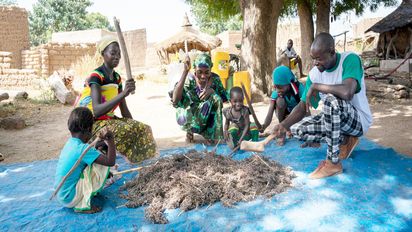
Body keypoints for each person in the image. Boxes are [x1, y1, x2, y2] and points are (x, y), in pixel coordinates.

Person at [271, 33, 373, 179]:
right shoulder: (315, 74)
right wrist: (283, 125)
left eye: (319, 59)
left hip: (357, 121)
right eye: (313, 59)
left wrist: (317, 87)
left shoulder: (349, 59)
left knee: (330, 101)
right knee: (297, 129)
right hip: (337, 122)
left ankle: (333, 163)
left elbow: (347, 92)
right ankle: (344, 140)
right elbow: (302, 106)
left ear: (332, 52)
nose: (315, 63)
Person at [76, 36, 157, 163]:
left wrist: (134, 125)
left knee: (143, 129)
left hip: (108, 121)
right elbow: (97, 111)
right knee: (127, 130)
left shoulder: (117, 78)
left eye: (119, 54)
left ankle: (143, 164)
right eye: (113, 53)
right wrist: (124, 93)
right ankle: (101, 148)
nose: (117, 56)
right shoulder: (96, 76)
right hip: (93, 124)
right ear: (103, 54)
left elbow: (123, 108)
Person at [54, 107, 116, 214]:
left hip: (61, 195)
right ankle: (82, 205)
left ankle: (82, 195)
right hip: (70, 198)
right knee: (101, 164)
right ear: (88, 129)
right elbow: (110, 162)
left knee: (94, 160)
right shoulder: (82, 149)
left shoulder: (70, 143)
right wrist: (110, 140)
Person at [172, 53, 228, 144]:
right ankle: (191, 130)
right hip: (189, 118)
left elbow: (224, 98)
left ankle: (213, 134)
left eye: (207, 72)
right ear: (194, 69)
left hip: (204, 113)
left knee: (216, 98)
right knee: (189, 96)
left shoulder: (215, 79)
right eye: (199, 72)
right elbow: (175, 101)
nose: (203, 76)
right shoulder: (189, 79)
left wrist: (213, 91)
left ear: (211, 69)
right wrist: (185, 72)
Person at [260, 65, 305, 146]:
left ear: (288, 83)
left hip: (297, 116)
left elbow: (306, 110)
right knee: (280, 101)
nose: (277, 90)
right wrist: (264, 126)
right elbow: (270, 113)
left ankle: (288, 128)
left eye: (280, 87)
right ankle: (282, 129)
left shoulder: (299, 89)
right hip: (284, 118)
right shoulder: (277, 93)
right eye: (275, 87)